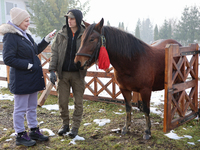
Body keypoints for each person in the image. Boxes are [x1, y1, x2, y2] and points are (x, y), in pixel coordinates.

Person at [0, 7, 55, 147]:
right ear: (18, 21)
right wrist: (28, 65)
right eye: (26, 21)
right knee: (20, 109)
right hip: (21, 80)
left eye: (28, 21)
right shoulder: (10, 36)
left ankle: (34, 130)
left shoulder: (25, 34)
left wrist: (46, 39)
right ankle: (20, 134)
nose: (28, 23)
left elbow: (35, 50)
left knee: (32, 107)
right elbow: (8, 59)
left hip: (32, 78)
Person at [49, 9, 87, 138]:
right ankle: (65, 124)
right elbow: (54, 52)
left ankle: (75, 127)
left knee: (78, 103)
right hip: (63, 74)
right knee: (62, 101)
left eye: (72, 18)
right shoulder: (61, 34)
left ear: (78, 19)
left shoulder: (85, 34)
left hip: (78, 75)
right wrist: (52, 70)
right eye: (68, 18)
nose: (69, 21)